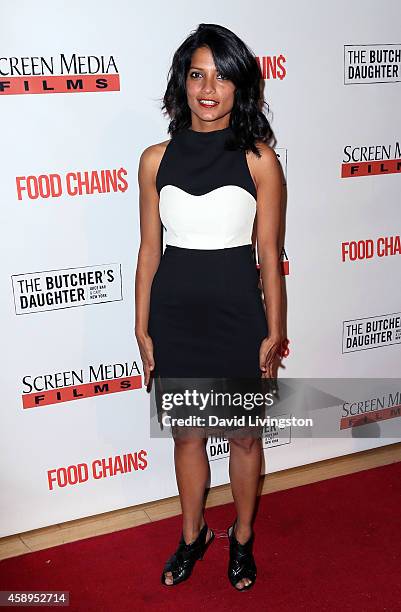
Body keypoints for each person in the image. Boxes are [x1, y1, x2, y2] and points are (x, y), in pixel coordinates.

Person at [135, 23, 283, 591]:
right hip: (175, 316)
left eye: (222, 76)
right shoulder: (154, 160)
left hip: (238, 316)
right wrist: (141, 324)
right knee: (188, 436)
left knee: (245, 437)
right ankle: (192, 534)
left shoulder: (259, 160)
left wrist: (275, 329)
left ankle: (242, 539)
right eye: (198, 74)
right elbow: (149, 250)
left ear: (240, 86)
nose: (209, 88)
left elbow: (269, 256)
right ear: (182, 82)